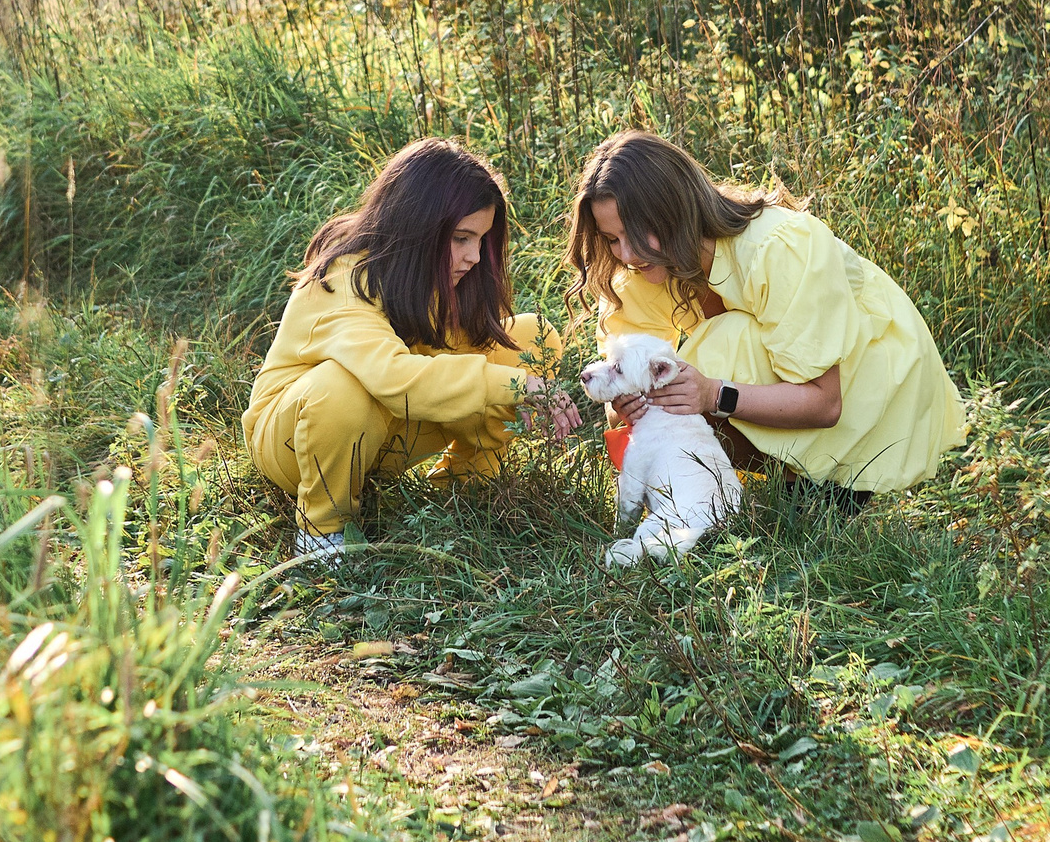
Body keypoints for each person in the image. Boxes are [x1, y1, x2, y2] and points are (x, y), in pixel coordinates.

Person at [573, 131, 964, 501]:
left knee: (717, 346)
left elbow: (826, 403)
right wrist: (623, 403)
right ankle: (753, 491)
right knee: (655, 377)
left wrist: (711, 393)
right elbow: (615, 384)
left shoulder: (777, 248)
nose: (625, 254)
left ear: (673, 210)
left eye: (634, 234)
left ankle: (826, 483)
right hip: (794, 396)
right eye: (612, 239)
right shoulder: (641, 271)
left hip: (869, 385)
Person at [243, 139, 581, 561]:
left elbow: (452, 362)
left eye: (480, 239)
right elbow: (398, 379)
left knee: (535, 338)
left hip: (383, 434)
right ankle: (323, 532)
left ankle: (465, 486)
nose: (475, 256)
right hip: (297, 444)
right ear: (419, 227)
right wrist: (517, 385)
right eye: (461, 238)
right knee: (341, 387)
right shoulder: (344, 282)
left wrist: (521, 377)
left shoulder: (438, 276)